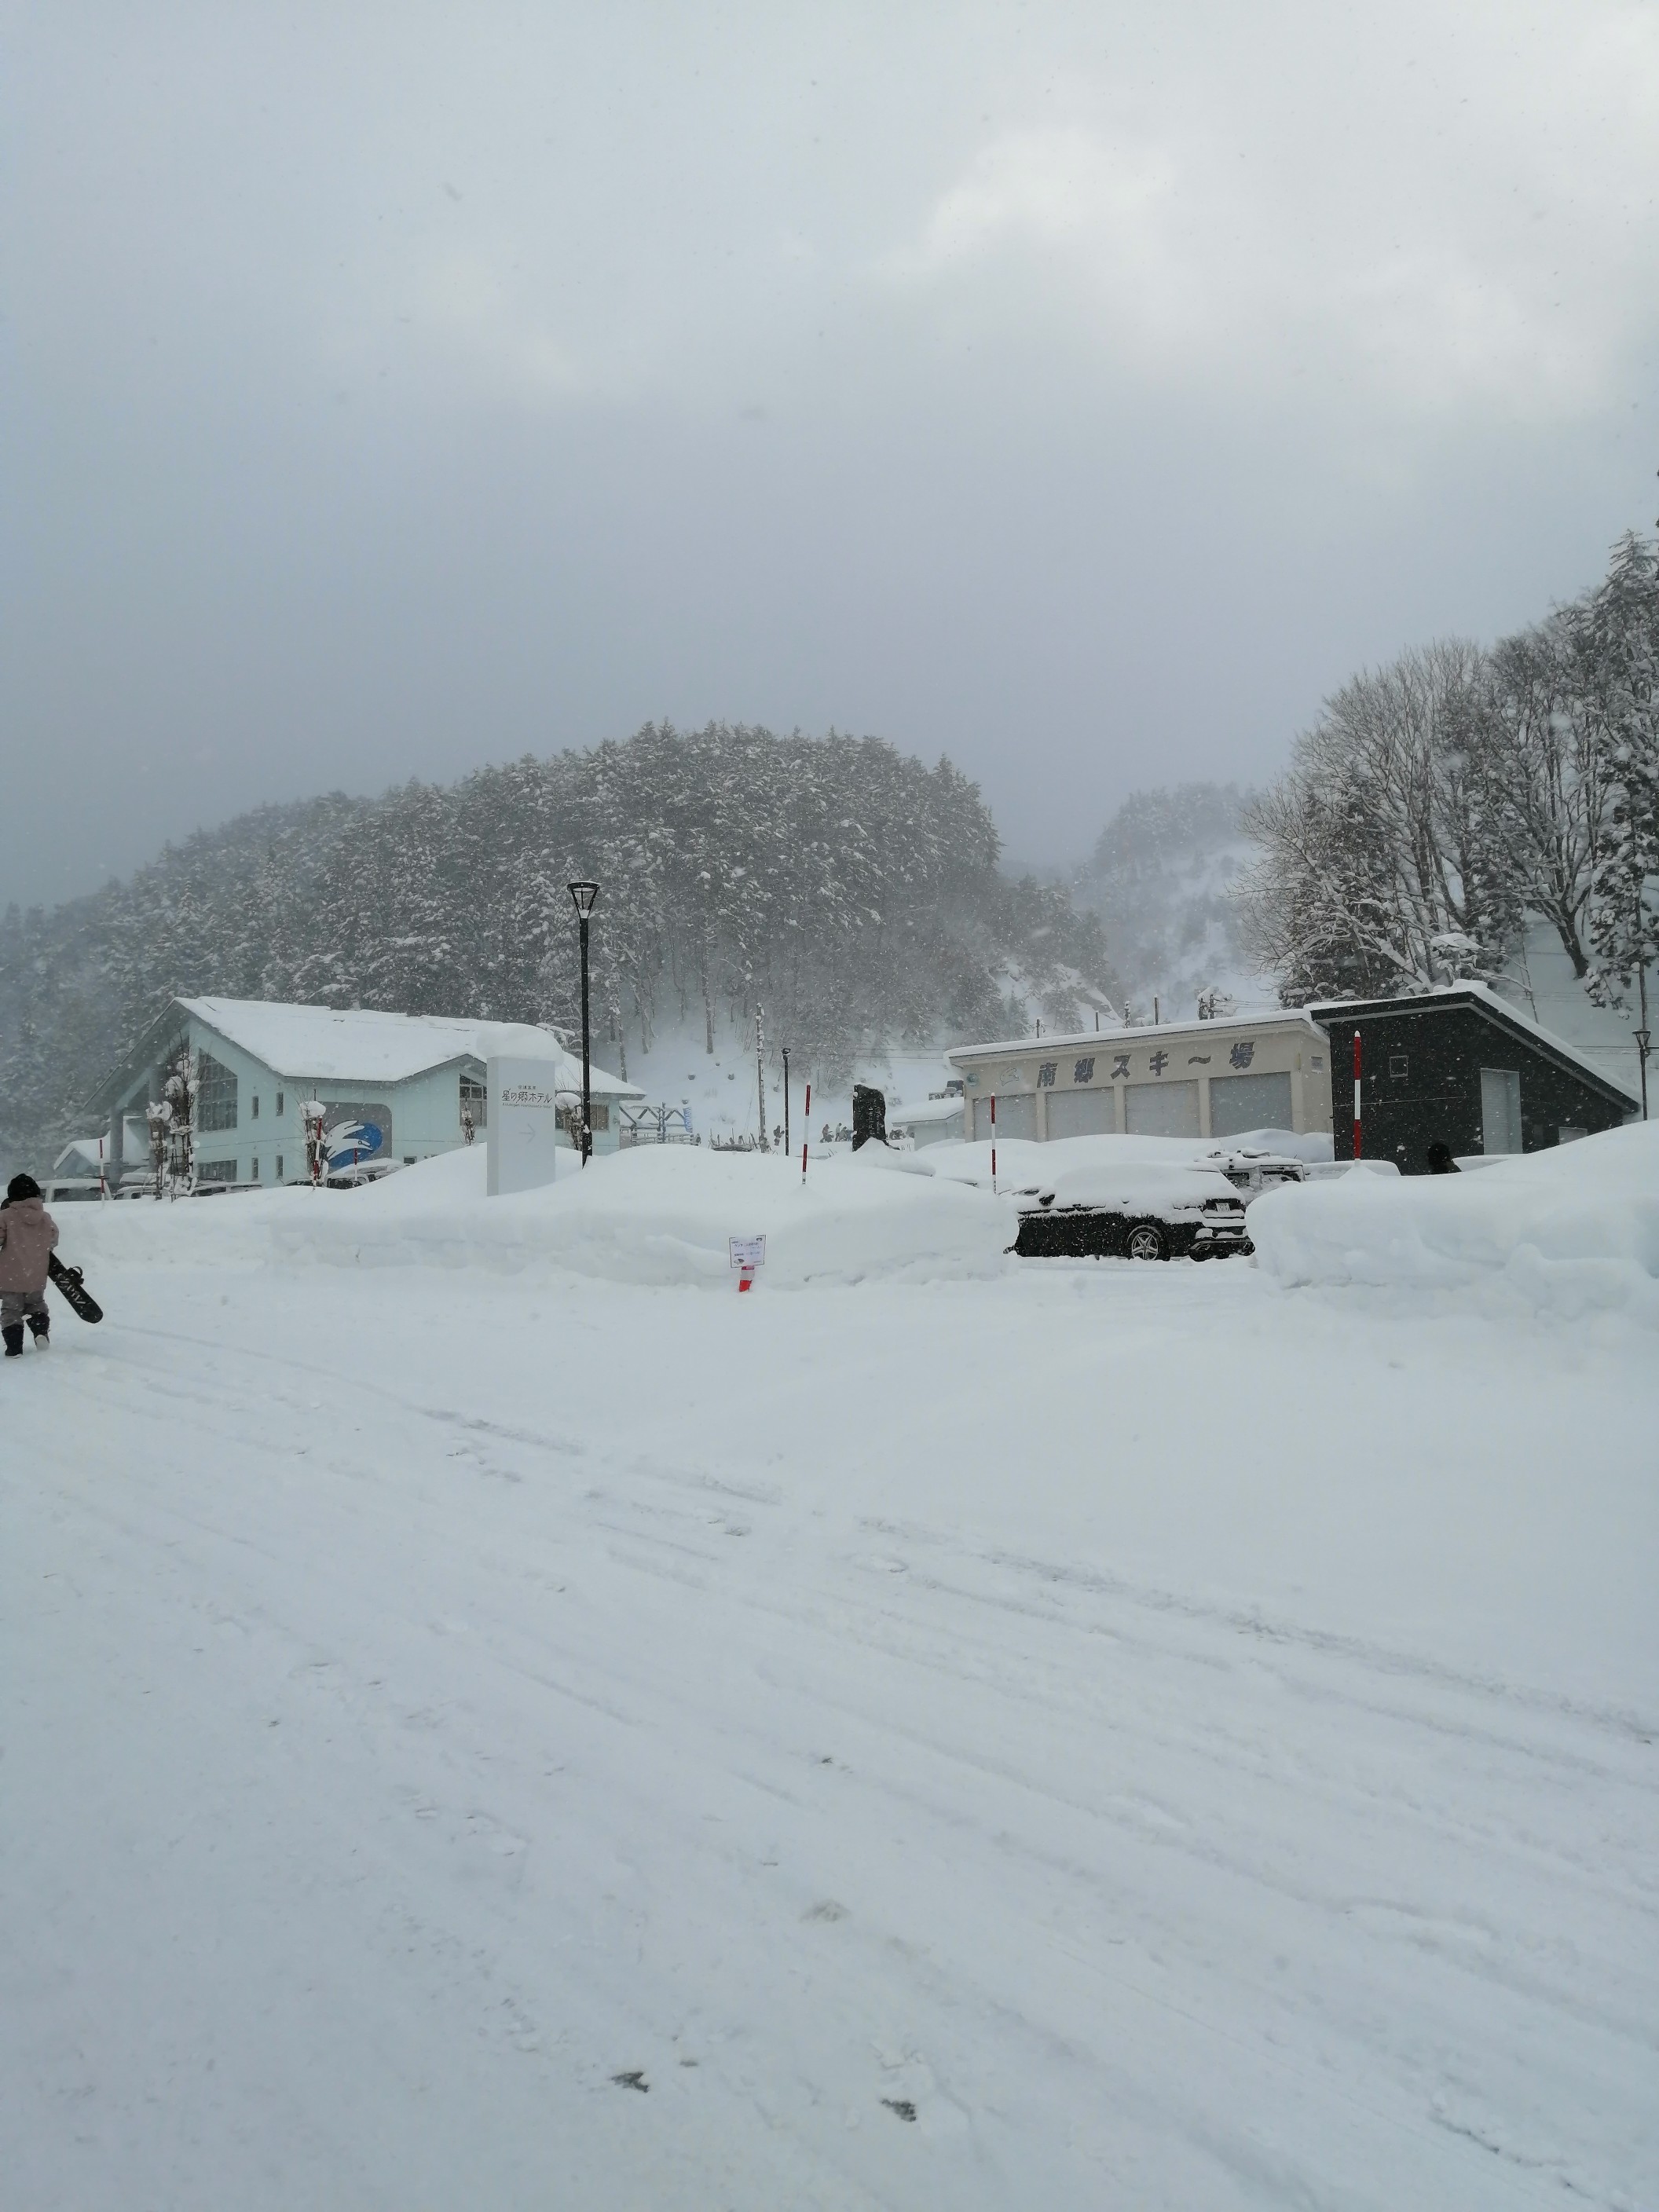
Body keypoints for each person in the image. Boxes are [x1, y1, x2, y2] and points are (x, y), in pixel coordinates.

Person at [0, 1173, 59, 1353]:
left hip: (11, 1275)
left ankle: (14, 1346)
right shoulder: (45, 1217)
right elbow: (53, 1240)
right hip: (36, 1274)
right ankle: (40, 1332)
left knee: (11, 1310)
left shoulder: (5, 1216)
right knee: (36, 1304)